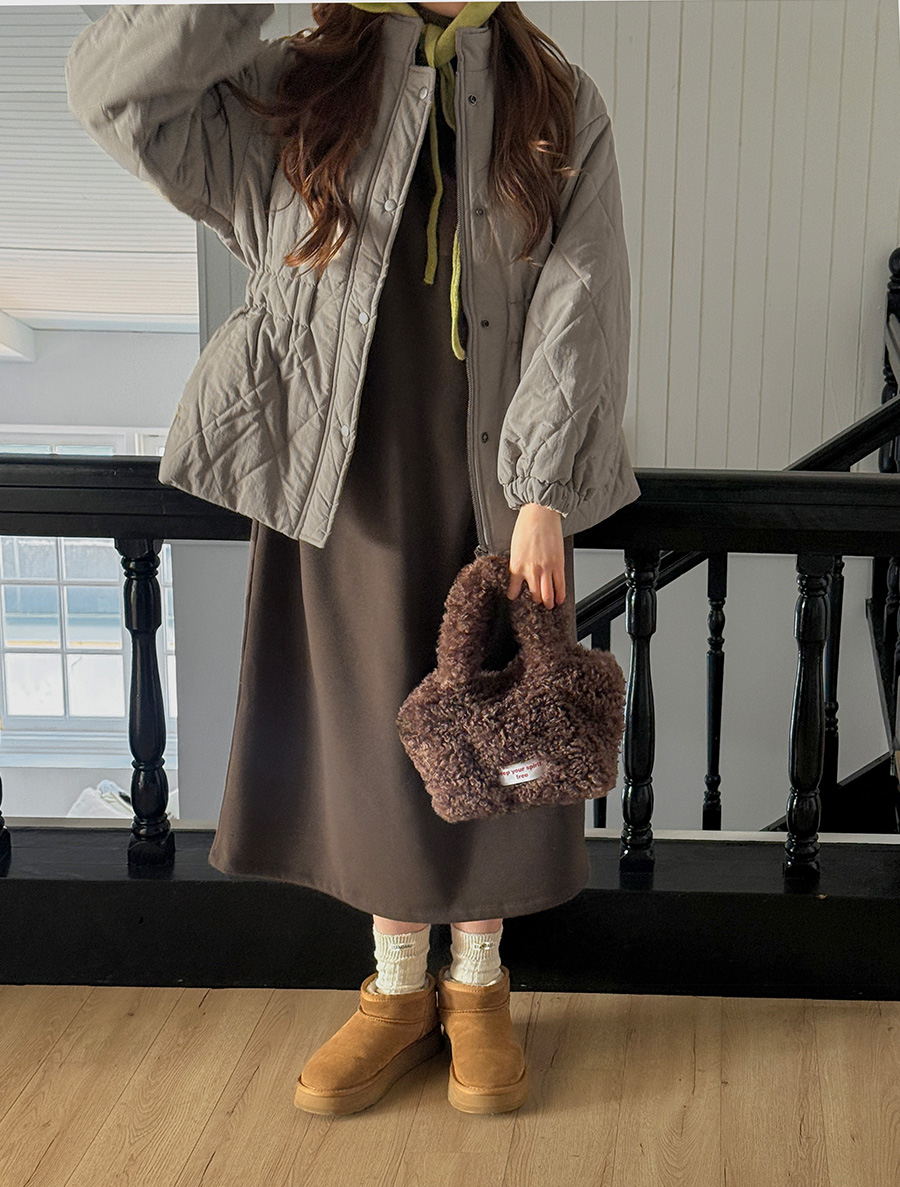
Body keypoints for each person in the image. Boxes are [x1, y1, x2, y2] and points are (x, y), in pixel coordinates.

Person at [65, 0, 638, 1118]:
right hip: (343, 472)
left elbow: (584, 293)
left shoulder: (560, 102)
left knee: (501, 712)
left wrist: (542, 487)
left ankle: (478, 985)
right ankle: (399, 987)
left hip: (495, 469)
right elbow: (113, 96)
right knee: (370, 726)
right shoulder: (298, 84)